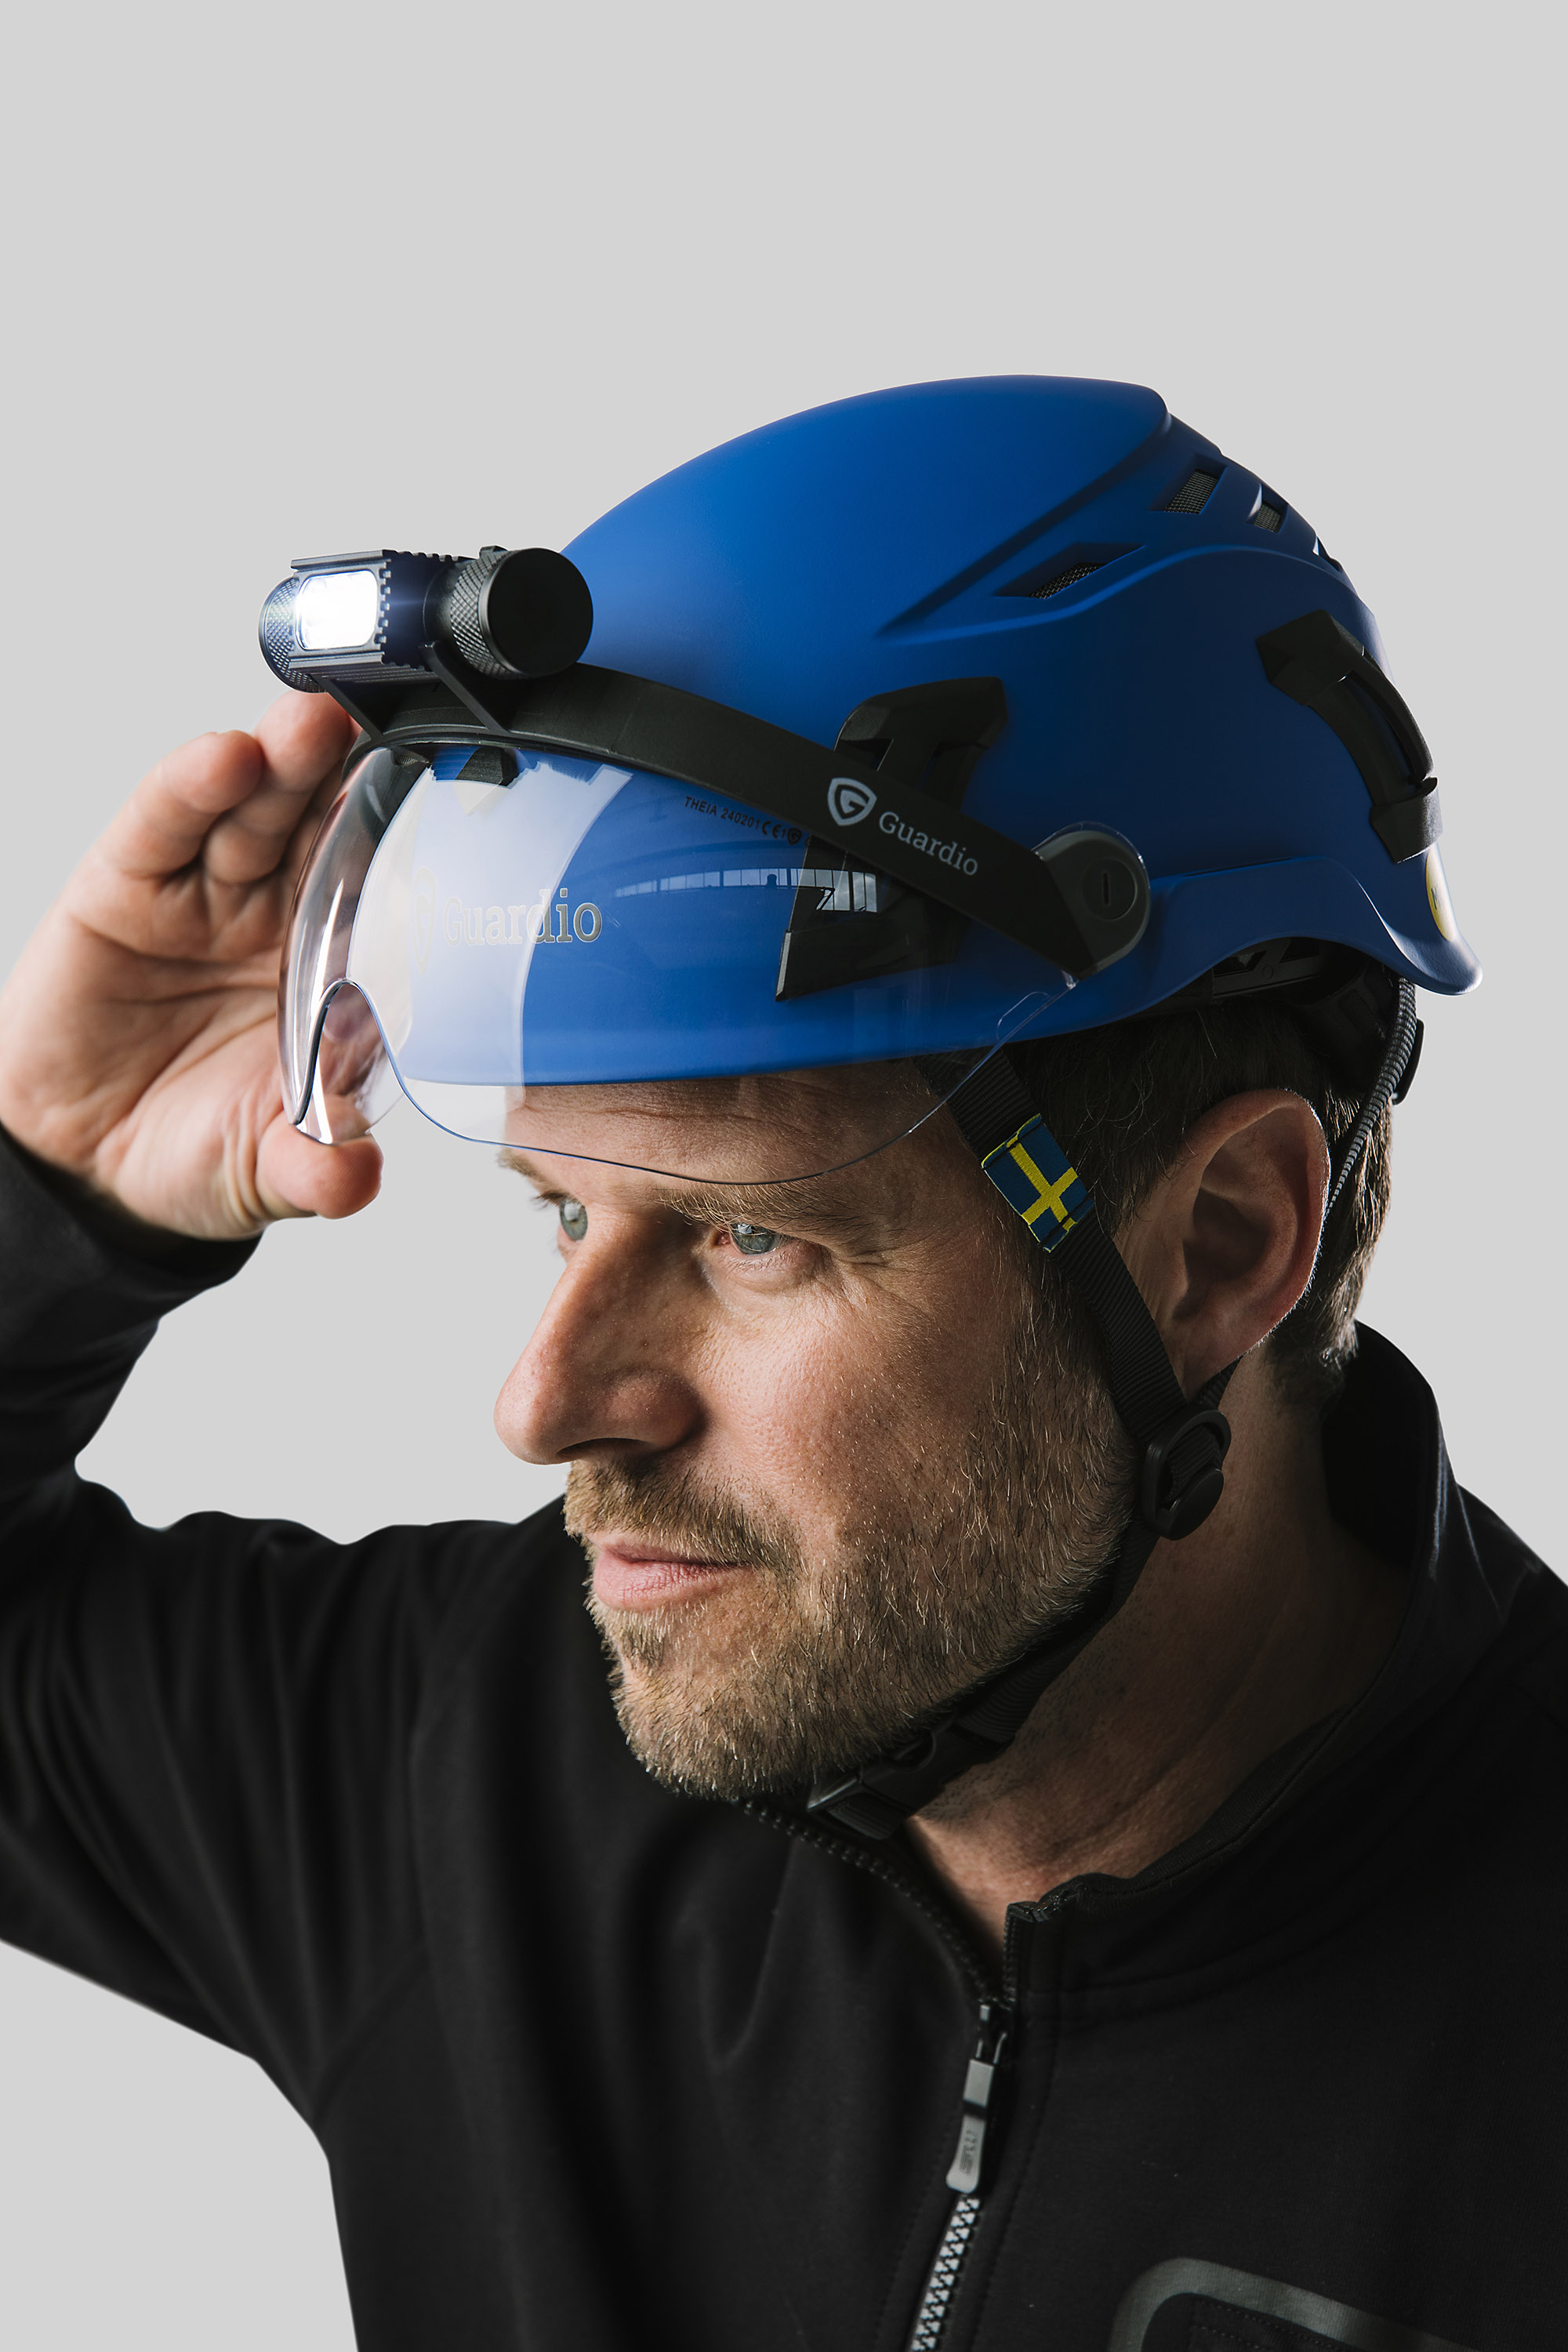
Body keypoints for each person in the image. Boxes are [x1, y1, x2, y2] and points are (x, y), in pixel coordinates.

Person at [0, 376, 1555, 2352]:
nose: (544, 1405)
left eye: (752, 1237)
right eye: (564, 1213)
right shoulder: (472, 1763)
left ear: (1223, 1246)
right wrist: (50, 1193)